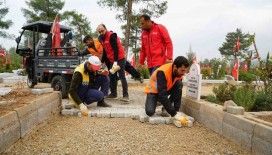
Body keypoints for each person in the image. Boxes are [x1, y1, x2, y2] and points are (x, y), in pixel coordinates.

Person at [144, 56, 189, 126]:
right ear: (175, 67)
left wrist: (176, 111)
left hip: (164, 90)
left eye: (185, 71)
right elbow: (162, 95)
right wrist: (173, 113)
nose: (184, 73)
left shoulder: (178, 73)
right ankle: (156, 102)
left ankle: (165, 107)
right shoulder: (162, 72)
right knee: (149, 112)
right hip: (153, 92)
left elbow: (178, 93)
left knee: (179, 84)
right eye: (182, 70)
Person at [96, 24, 129, 102]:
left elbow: (116, 49)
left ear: (105, 29)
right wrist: (101, 62)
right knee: (112, 76)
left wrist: (116, 61)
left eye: (102, 31)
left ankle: (125, 95)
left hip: (119, 58)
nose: (101, 33)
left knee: (122, 76)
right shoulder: (101, 38)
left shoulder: (112, 36)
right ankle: (113, 94)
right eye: (99, 32)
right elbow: (105, 51)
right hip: (111, 59)